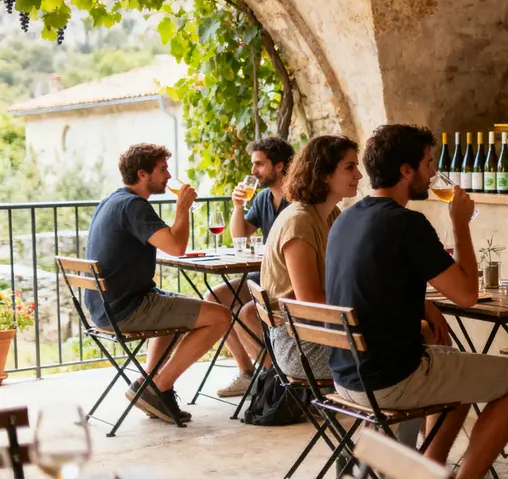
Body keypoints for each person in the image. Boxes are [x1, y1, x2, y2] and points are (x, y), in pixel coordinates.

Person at [325, 124, 508, 479]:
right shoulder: (408, 223)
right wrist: (461, 223)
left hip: (346, 376)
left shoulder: (345, 219)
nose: (433, 173)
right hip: (390, 379)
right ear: (406, 170)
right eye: (428, 164)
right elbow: (468, 295)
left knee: (456, 371)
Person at [85, 144, 232, 424]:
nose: (168, 176)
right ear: (142, 174)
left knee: (176, 306)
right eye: (162, 169)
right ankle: (159, 386)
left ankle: (147, 384)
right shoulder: (133, 206)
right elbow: (176, 247)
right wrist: (183, 208)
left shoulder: (113, 200)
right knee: (220, 317)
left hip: (105, 308)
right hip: (126, 309)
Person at [261, 135, 359, 382]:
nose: (358, 175)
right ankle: (377, 419)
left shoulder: (331, 215)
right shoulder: (300, 222)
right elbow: (311, 301)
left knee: (412, 339)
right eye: (350, 167)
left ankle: (376, 419)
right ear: (324, 174)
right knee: (407, 348)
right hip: (299, 345)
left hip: (323, 330)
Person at [206, 136, 294, 397]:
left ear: (279, 166)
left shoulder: (298, 200)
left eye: (259, 164)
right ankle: (246, 373)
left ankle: (277, 378)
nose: (253, 171)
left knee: (244, 310)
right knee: (215, 300)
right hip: (262, 274)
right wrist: (238, 205)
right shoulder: (264, 198)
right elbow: (241, 234)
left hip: (285, 279)